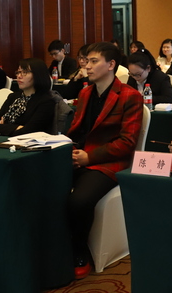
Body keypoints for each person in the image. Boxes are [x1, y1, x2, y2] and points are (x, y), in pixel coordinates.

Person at [66, 42, 142, 278]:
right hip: (80, 156)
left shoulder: (130, 96)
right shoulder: (85, 93)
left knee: (79, 200)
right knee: (43, 185)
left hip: (109, 162)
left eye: (93, 61)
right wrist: (71, 151)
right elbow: (76, 131)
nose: (87, 66)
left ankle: (80, 252)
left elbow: (127, 143)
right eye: (86, 61)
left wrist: (89, 157)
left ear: (111, 65)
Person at [0, 58, 56, 136]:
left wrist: (3, 126)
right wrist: (17, 127)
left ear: (38, 75)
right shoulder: (13, 97)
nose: (19, 76)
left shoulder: (46, 101)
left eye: (25, 72)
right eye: (18, 72)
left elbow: (28, 132)